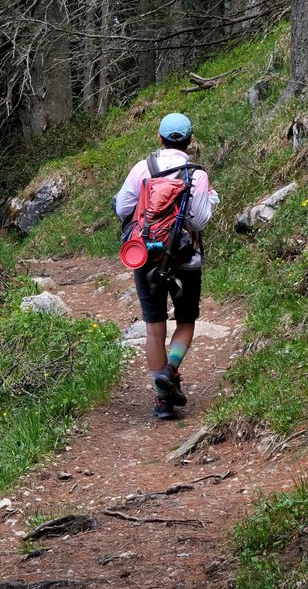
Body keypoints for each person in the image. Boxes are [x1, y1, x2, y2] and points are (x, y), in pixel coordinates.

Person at [113, 112, 220, 419]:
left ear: (159, 138)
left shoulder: (142, 168)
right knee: (186, 321)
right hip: (185, 259)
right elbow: (199, 220)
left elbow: (122, 207)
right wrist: (212, 200)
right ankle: (170, 370)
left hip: (145, 256)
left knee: (154, 328)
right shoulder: (197, 175)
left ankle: (162, 401)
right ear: (190, 142)